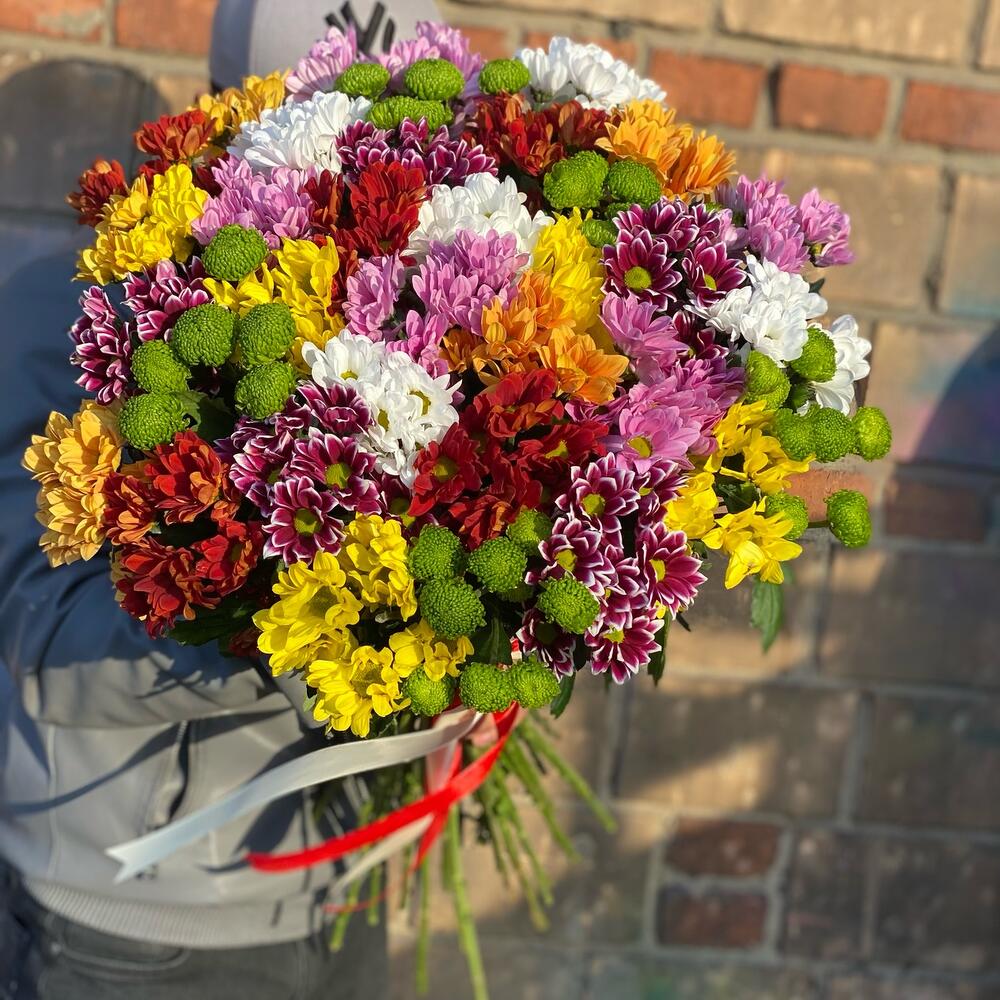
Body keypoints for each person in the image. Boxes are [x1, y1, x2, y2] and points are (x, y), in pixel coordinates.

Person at [0, 1, 438, 997]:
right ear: (231, 113)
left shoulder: (432, 308)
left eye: (409, 139)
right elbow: (43, 637)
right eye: (318, 128)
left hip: (351, 883)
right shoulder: (62, 309)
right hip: (135, 922)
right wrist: (321, 632)